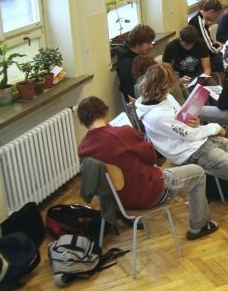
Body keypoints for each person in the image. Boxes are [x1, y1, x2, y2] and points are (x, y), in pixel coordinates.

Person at [76, 96, 218, 240]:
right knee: (198, 172)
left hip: (118, 202)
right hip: (149, 192)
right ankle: (199, 226)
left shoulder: (83, 148)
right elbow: (152, 157)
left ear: (83, 121)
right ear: (105, 111)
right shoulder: (122, 133)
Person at [135, 63, 228, 184]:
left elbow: (184, 123)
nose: (171, 89)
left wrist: (195, 122)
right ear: (162, 86)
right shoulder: (157, 116)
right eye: (169, 85)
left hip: (200, 139)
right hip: (192, 152)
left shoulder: (165, 97)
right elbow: (190, 134)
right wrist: (216, 128)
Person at [116, 24, 155, 100]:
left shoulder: (138, 56)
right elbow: (130, 91)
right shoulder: (126, 63)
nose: (151, 46)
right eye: (148, 43)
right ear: (138, 42)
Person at [189, 0, 224, 72]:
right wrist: (221, 46)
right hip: (201, 58)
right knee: (226, 62)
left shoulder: (202, 19)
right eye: (217, 14)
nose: (217, 17)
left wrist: (217, 45)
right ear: (211, 12)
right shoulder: (200, 22)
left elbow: (208, 43)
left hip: (205, 53)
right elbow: (210, 49)